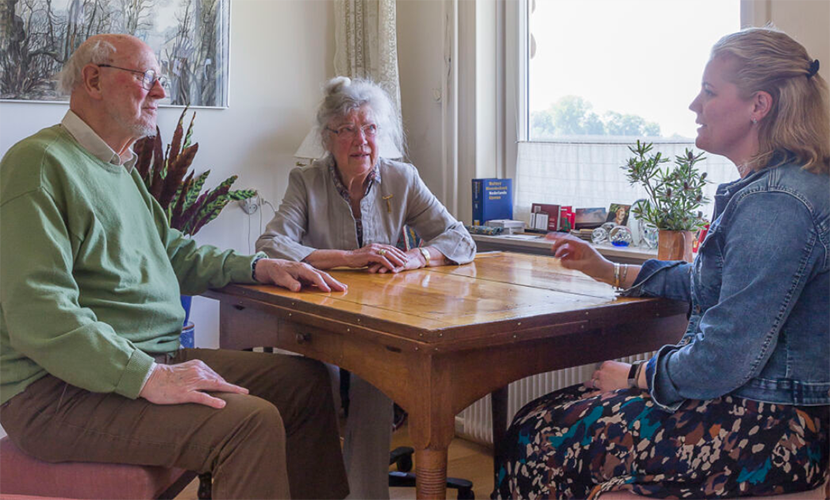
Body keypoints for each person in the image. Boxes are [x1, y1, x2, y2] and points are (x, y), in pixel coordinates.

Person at [0, 34, 349, 500]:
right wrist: (150, 377)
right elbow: (40, 313)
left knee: (302, 383)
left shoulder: (118, 169)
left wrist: (260, 266)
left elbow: (174, 252)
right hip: (56, 393)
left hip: (145, 360)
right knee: (248, 423)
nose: (161, 93)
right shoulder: (39, 165)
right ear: (94, 80)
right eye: (147, 79)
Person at [493, 26, 830, 499]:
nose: (695, 105)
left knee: (540, 433)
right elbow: (712, 283)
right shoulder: (780, 190)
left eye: (709, 91)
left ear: (759, 105)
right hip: (756, 412)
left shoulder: (777, 202)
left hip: (766, 429)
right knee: (542, 418)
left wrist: (636, 375)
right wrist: (609, 270)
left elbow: (725, 357)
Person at [256, 76, 476, 500]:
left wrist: (417, 257)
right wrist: (348, 257)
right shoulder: (307, 182)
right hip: (320, 319)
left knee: (375, 380)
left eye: (370, 128)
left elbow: (459, 238)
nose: (362, 140)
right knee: (314, 380)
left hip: (384, 324)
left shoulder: (403, 178)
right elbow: (270, 244)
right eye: (347, 130)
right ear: (327, 138)